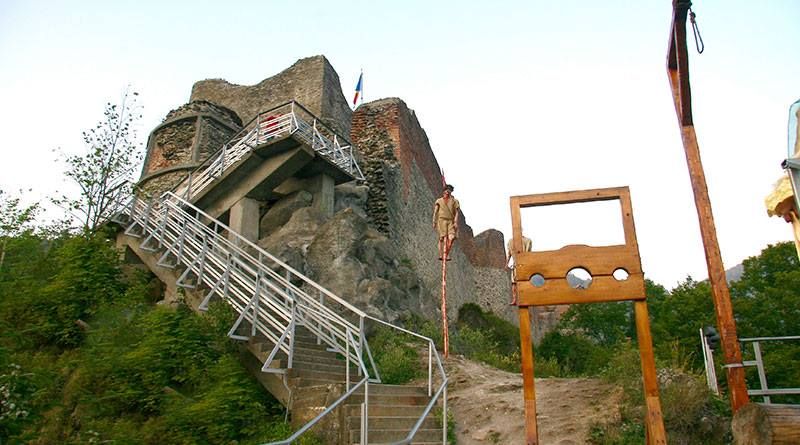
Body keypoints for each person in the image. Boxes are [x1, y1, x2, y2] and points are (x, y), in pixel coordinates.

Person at [432, 184, 460, 261]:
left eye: (449, 190)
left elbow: (457, 212)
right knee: (441, 238)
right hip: (441, 220)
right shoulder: (439, 201)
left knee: (451, 237)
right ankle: (441, 255)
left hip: (450, 221)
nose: (448, 191)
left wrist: (455, 221)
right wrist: (434, 221)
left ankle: (446, 253)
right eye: (447, 190)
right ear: (444, 191)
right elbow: (435, 212)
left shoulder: (455, 201)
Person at [506, 235, 533, 305]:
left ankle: (525, 298)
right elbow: (509, 254)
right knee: (514, 284)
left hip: (524, 264)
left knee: (524, 282)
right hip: (516, 265)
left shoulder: (527, 240)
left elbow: (529, 254)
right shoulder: (510, 242)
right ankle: (515, 299)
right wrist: (506, 264)